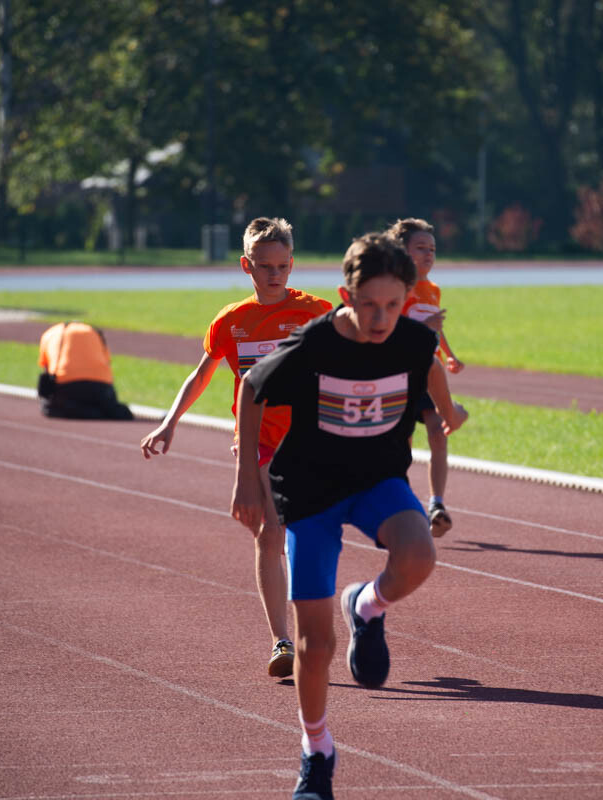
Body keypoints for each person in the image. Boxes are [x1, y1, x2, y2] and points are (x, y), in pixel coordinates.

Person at [231, 232, 468, 799]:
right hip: (310, 491)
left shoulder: (412, 341)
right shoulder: (314, 345)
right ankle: (317, 753)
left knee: (419, 554)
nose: (380, 318)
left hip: (376, 479)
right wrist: (246, 481)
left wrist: (449, 411)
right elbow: (251, 390)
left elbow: (430, 369)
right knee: (316, 645)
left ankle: (367, 604)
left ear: (406, 298)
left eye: (392, 304)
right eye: (368, 305)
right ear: (346, 295)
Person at [140, 217, 332, 679]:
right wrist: (170, 423)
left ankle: (323, 623)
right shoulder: (232, 321)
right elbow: (202, 373)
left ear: (293, 264)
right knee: (269, 535)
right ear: (247, 266)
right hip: (260, 443)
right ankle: (282, 641)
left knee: (310, 536)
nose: (274, 274)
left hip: (312, 441)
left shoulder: (315, 312)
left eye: (282, 266)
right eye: (264, 266)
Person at [385, 218, 465, 537]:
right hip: (399, 374)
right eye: (420, 248)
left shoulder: (432, 289)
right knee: (402, 443)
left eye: (432, 249)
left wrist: (450, 354)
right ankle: (402, 503)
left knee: (438, 431)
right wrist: (424, 328)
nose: (428, 254)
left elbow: (436, 326)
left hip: (428, 373)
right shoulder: (396, 288)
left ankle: (437, 503)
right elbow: (394, 328)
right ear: (403, 252)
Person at [37, 321, 133, 420]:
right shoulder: (94, 332)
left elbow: (46, 368)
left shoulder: (50, 333)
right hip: (101, 386)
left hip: (66, 384)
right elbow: (107, 361)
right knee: (108, 407)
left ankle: (87, 411)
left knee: (50, 407)